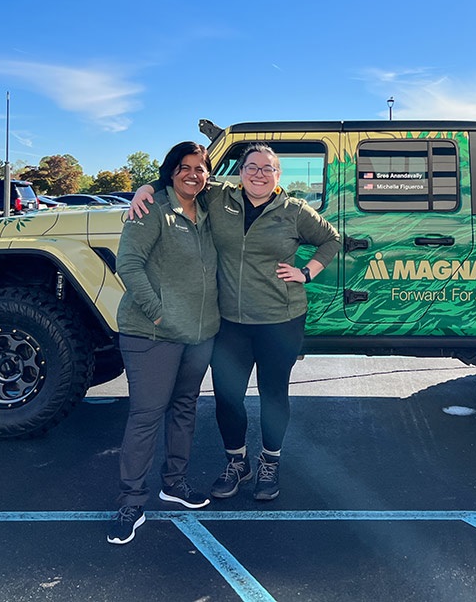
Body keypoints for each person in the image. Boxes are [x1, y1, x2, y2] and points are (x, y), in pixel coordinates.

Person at [131, 142, 340, 501]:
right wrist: (145, 187)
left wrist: (306, 272)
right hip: (230, 321)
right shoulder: (219, 198)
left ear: (278, 175)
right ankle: (237, 463)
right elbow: (182, 178)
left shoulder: (294, 210)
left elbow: (332, 239)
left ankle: (270, 463)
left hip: (280, 319)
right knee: (228, 397)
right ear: (240, 172)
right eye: (252, 167)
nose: (259, 174)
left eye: (268, 168)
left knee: (274, 394)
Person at [106, 142, 219, 545]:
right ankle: (132, 502)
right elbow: (128, 263)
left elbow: (252, 186)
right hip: (151, 333)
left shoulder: (209, 210)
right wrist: (156, 311)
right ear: (170, 172)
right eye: (184, 168)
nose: (193, 174)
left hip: (199, 333)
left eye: (200, 168)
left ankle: (175, 483)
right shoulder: (151, 209)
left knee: (185, 408)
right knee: (146, 415)